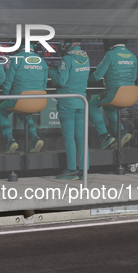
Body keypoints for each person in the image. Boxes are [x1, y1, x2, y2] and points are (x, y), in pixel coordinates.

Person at [48, 41, 90, 180]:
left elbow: (61, 80)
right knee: (82, 137)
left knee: (69, 137)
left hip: (67, 101)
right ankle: (84, 170)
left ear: (67, 45)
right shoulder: (86, 58)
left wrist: (50, 71)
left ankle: (71, 170)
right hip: (81, 100)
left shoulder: (67, 59)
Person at [0, 46, 48, 154]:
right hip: (40, 99)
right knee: (22, 109)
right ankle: (35, 137)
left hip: (20, 98)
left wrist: (6, 96)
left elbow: (8, 81)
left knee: (1, 110)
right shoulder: (42, 60)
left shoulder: (15, 58)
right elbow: (44, 83)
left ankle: (10, 140)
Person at [88, 39, 138, 150]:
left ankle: (104, 136)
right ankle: (122, 132)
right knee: (108, 105)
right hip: (131, 95)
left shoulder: (110, 55)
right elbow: (134, 77)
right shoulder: (132, 55)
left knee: (91, 104)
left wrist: (86, 78)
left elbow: (96, 76)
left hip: (115, 93)